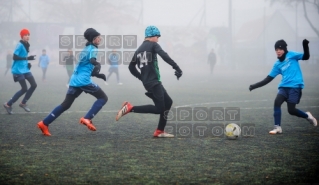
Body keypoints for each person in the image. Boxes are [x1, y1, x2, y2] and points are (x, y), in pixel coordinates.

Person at [37, 28, 108, 136]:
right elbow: (92, 61)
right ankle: (87, 118)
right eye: (98, 37)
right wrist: (98, 64)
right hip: (84, 81)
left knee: (66, 104)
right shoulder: (93, 48)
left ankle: (44, 123)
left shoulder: (86, 48)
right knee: (103, 98)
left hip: (75, 79)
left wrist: (98, 74)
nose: (100, 38)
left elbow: (87, 66)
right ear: (93, 38)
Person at [115, 25, 183, 138]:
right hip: (154, 82)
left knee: (168, 102)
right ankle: (130, 108)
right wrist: (176, 67)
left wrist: (142, 77)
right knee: (159, 109)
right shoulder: (153, 45)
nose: (158, 39)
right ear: (153, 36)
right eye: (158, 37)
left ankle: (159, 131)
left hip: (149, 82)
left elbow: (131, 67)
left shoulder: (138, 49)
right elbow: (164, 55)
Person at [249, 39, 317, 134]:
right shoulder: (277, 64)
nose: (278, 51)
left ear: (284, 49)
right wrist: (254, 86)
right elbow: (268, 79)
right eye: (276, 49)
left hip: (295, 86)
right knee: (277, 102)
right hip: (283, 87)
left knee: (291, 110)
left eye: (280, 49)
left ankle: (307, 115)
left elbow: (306, 57)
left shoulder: (292, 55)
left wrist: (305, 45)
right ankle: (277, 127)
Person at [3, 28, 37, 114]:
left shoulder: (26, 44)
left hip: (25, 69)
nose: (27, 36)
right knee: (24, 88)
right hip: (18, 70)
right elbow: (14, 57)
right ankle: (8, 104)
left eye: (28, 35)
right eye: (25, 35)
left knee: (34, 85)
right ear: (22, 36)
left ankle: (23, 103)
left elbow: (23, 57)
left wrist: (27, 62)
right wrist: (27, 58)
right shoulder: (19, 45)